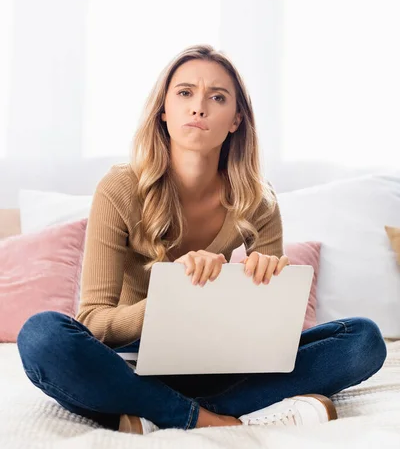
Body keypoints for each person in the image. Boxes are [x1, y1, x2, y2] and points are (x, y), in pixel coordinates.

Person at [17, 45, 387, 435]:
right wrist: (170, 298)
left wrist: (257, 288)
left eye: (217, 97)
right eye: (184, 93)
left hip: (219, 362)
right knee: (42, 336)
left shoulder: (259, 200)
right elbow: (93, 321)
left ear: (235, 120)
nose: (199, 107)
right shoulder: (120, 188)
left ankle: (155, 411)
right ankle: (214, 416)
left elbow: (269, 340)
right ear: (164, 110)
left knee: (363, 340)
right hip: (130, 361)